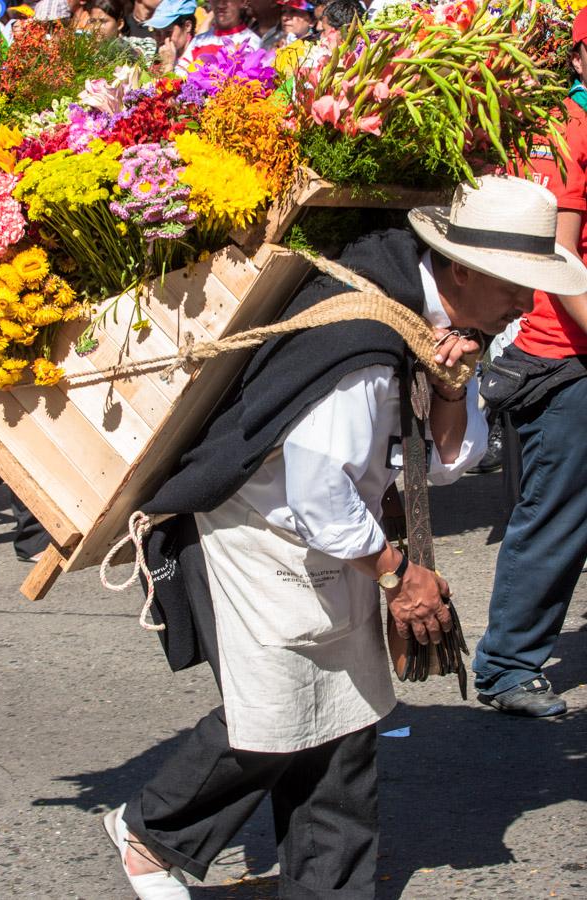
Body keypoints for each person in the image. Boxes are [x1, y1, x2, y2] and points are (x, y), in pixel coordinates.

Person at [102, 175, 587, 900]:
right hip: (261, 534)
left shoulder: (431, 315)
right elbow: (317, 493)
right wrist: (400, 575)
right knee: (277, 716)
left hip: (329, 534)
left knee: (344, 719)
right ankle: (151, 834)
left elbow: (452, 463)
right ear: (460, 267)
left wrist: (451, 386)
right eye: (515, 283)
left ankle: (329, 890)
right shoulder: (362, 337)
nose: (527, 302)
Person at [473, 10, 587, 718]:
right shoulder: (566, 132)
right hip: (563, 357)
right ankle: (507, 666)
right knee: (557, 516)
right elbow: (563, 263)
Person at [180, 0, 260, 63]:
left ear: (243, 2)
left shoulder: (254, 43)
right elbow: (180, 75)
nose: (221, 4)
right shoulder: (197, 42)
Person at [142, 0, 195, 71]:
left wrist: (168, 65)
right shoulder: (162, 57)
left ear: (187, 26)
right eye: (158, 32)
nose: (163, 39)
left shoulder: (202, 53)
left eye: (168, 32)